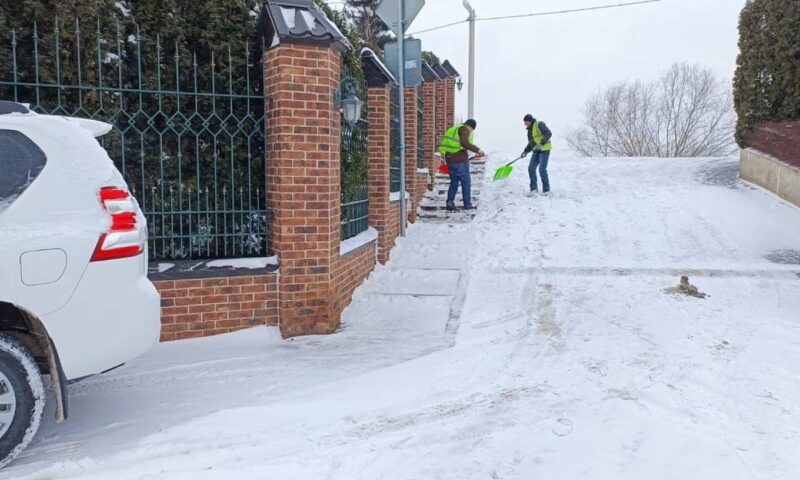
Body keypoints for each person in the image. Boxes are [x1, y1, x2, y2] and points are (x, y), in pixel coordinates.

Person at [438, 119, 485, 211]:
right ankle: (467, 205)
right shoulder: (464, 130)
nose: (471, 132)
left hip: (450, 159)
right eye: (472, 130)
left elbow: (445, 144)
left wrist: (443, 156)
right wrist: (478, 150)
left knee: (454, 182)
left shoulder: (452, 129)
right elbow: (464, 143)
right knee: (466, 182)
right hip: (459, 160)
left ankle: (450, 203)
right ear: (471, 127)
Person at [521, 114, 552, 196]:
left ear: (530, 121)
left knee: (542, 169)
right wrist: (525, 151)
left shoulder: (539, 124)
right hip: (536, 150)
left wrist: (541, 143)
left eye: (526, 122)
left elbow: (548, 133)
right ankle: (533, 189)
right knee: (531, 168)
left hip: (544, 149)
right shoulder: (529, 131)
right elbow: (531, 143)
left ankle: (546, 190)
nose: (525, 124)